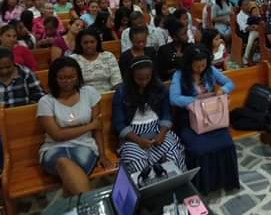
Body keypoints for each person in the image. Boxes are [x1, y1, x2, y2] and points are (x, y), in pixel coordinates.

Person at [37, 57, 112, 195]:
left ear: (78, 76)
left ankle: (75, 203)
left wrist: (102, 155)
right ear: (54, 78)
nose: (67, 81)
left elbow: (98, 129)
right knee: (63, 163)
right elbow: (57, 135)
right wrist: (89, 126)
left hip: (85, 145)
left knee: (70, 172)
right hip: (54, 148)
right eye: (62, 78)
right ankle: (89, 205)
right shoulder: (46, 101)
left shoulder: (89, 93)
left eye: (72, 77)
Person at [169, 45, 239, 194]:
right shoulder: (179, 75)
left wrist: (222, 90)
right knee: (200, 149)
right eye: (197, 66)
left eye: (204, 64)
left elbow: (230, 83)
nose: (201, 68)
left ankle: (225, 182)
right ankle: (204, 186)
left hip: (211, 118)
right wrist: (194, 100)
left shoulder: (210, 70)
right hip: (189, 120)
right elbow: (174, 98)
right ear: (189, 63)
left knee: (226, 143)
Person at [112, 56, 186, 174]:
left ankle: (175, 187)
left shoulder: (159, 88)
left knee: (173, 153)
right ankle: (150, 190)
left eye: (147, 78)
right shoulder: (122, 92)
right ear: (131, 77)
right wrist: (139, 140)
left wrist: (161, 134)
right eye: (139, 79)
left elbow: (166, 114)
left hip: (157, 129)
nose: (144, 82)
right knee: (138, 163)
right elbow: (118, 123)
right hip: (132, 136)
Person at [70, 28, 122, 93]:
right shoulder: (73, 59)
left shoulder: (108, 56)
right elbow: (72, 85)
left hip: (108, 94)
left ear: (98, 42)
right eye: (85, 43)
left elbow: (117, 81)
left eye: (92, 42)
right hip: (83, 97)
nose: (89, 45)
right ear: (80, 44)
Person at [236, 0, 259, 65]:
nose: (248, 6)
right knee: (254, 37)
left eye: (248, 4)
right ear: (241, 7)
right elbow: (244, 28)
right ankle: (249, 58)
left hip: (257, 31)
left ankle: (246, 56)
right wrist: (253, 27)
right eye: (245, 5)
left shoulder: (252, 11)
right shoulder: (239, 16)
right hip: (244, 33)